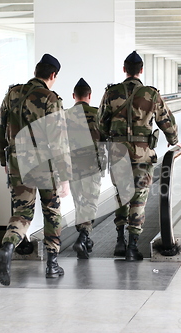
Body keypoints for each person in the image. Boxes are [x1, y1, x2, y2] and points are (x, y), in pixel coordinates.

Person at [0, 54, 72, 286]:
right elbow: (59, 141)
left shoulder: (13, 94)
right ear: (53, 75)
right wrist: (64, 177)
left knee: (22, 213)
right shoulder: (50, 98)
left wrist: (3, 160)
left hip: (17, 163)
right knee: (52, 211)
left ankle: (7, 248)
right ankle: (52, 264)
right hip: (45, 165)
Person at [97, 51, 181, 261]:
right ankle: (132, 246)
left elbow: (100, 123)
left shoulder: (111, 93)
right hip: (143, 155)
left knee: (121, 197)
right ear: (141, 70)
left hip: (118, 154)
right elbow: (167, 122)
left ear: (124, 69)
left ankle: (119, 241)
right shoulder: (151, 94)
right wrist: (174, 142)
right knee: (139, 199)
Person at [66, 78, 106, 259]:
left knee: (79, 202)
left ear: (74, 96)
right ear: (89, 96)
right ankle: (83, 237)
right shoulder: (98, 114)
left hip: (72, 166)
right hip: (92, 165)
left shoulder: (65, 115)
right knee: (90, 202)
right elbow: (106, 139)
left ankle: (84, 236)